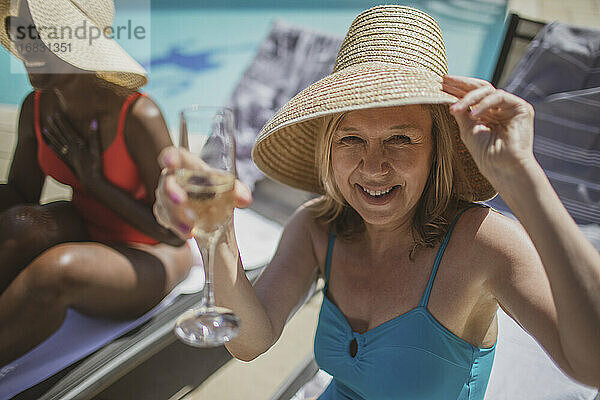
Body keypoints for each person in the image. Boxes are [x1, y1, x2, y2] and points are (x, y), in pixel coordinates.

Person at [154, 5, 600, 398]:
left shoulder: (482, 244)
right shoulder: (317, 227)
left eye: (400, 138)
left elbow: (592, 364)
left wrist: (522, 178)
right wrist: (216, 231)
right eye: (351, 138)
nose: (372, 166)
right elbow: (250, 341)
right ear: (329, 147)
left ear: (436, 149)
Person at [0, 0, 191, 365]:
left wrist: (96, 182)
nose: (24, 44)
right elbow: (21, 196)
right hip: (86, 225)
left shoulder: (137, 116)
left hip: (152, 250)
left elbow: (178, 232)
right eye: (17, 30)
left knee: (58, 269)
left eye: (37, 32)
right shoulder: (37, 108)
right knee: (17, 225)